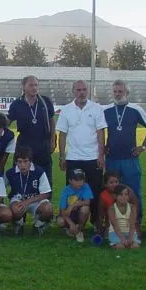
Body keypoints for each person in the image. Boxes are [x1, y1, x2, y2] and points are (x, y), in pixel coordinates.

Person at [56, 80, 107, 225]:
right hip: (73, 158)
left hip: (92, 158)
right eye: (78, 90)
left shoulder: (97, 108)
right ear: (73, 91)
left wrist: (101, 155)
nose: (81, 92)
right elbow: (63, 134)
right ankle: (72, 222)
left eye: (84, 89)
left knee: (95, 191)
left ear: (88, 91)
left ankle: (96, 222)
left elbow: (101, 133)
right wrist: (62, 156)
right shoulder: (66, 110)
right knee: (73, 193)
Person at [103, 80, 146, 225]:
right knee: (112, 192)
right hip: (112, 158)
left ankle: (136, 221)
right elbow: (98, 130)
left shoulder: (135, 109)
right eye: (115, 91)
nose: (117, 94)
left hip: (130, 159)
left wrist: (142, 147)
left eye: (120, 91)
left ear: (127, 93)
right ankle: (113, 222)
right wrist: (103, 147)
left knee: (133, 191)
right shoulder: (106, 110)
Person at [8, 76, 56, 185]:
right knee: (21, 174)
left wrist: (53, 140)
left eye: (36, 85)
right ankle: (20, 197)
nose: (34, 88)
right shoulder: (17, 104)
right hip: (24, 144)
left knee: (45, 175)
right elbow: (8, 121)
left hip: (43, 144)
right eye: (31, 85)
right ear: (24, 87)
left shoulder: (45, 101)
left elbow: (52, 121)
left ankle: (45, 199)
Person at [6, 146, 52, 236]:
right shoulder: (10, 173)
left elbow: (46, 193)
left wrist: (27, 202)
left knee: (47, 209)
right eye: (19, 162)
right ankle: (18, 223)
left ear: (30, 161)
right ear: (16, 162)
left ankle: (38, 224)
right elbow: (0, 188)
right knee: (15, 209)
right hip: (18, 200)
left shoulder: (39, 171)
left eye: (25, 161)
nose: (22, 165)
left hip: (35, 200)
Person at [57, 168, 93, 243]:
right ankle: (70, 228)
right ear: (70, 181)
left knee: (85, 209)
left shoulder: (85, 186)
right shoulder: (65, 191)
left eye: (81, 180)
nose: (80, 182)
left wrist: (72, 205)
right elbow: (63, 211)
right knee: (60, 221)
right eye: (76, 180)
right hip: (68, 215)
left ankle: (79, 229)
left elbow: (87, 202)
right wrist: (71, 224)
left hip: (78, 213)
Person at [108, 184, 141, 249]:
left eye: (126, 194)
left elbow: (132, 224)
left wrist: (130, 237)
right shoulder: (111, 209)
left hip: (129, 231)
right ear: (115, 196)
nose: (124, 197)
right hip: (115, 232)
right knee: (120, 246)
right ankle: (115, 244)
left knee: (135, 246)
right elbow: (115, 226)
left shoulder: (132, 207)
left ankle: (128, 242)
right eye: (121, 195)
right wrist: (122, 238)